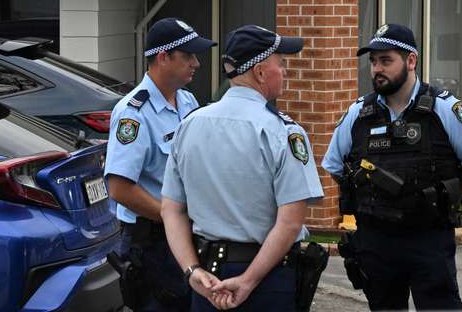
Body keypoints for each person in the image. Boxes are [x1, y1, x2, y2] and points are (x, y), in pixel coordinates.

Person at [322, 23, 462, 311]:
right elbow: (334, 166)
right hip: (376, 240)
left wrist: (442, 197)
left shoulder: (444, 109)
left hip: (428, 238)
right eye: (373, 61)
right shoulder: (358, 114)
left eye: (386, 60)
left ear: (411, 61)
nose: (377, 69)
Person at [160, 25, 327, 311]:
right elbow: (290, 223)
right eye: (281, 64)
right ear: (260, 73)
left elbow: (171, 209)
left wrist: (192, 271)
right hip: (267, 277)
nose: (284, 71)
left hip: (206, 276)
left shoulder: (189, 124)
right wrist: (248, 281)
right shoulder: (283, 131)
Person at [105, 17, 214, 312]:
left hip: (184, 233)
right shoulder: (133, 113)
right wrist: (173, 219)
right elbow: (119, 188)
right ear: (164, 57)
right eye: (189, 55)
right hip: (151, 240)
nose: (197, 63)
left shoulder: (188, 101)